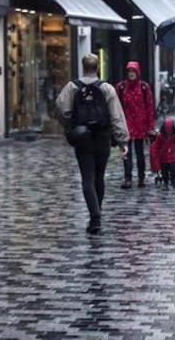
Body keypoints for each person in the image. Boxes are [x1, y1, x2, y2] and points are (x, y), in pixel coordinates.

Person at [56, 53, 129, 234]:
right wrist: (122, 141)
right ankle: (98, 212)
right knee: (99, 177)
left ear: (83, 66)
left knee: (87, 178)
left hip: (82, 137)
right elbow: (116, 116)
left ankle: (95, 216)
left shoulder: (72, 87)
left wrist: (70, 125)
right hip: (102, 137)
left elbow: (61, 109)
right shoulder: (107, 88)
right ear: (97, 68)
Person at [116, 62, 155, 189]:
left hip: (140, 125)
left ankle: (141, 176)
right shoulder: (121, 87)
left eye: (133, 71)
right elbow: (116, 106)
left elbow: (149, 108)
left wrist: (150, 127)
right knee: (126, 152)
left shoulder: (144, 87)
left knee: (139, 153)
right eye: (129, 71)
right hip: (126, 125)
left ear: (137, 72)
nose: (131, 74)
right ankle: (127, 177)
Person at [150, 118, 175, 189]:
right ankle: (165, 182)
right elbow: (156, 146)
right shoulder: (160, 137)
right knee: (164, 171)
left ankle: (173, 179)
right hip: (163, 157)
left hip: (172, 157)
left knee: (173, 168)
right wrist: (154, 154)